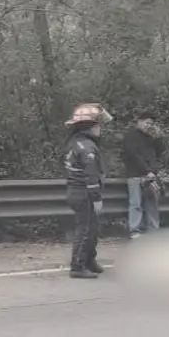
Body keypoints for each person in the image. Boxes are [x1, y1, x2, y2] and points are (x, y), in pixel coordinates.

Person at [63, 102, 112, 279]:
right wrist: (96, 196)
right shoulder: (86, 147)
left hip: (77, 191)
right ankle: (77, 266)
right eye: (98, 124)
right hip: (84, 193)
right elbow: (91, 174)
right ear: (90, 126)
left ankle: (89, 260)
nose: (100, 128)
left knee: (93, 229)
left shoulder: (75, 142)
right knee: (85, 230)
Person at [122, 116, 164, 238]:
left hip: (151, 175)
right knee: (136, 203)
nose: (149, 126)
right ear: (139, 122)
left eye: (151, 123)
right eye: (146, 123)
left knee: (152, 203)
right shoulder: (130, 137)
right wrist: (147, 171)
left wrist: (159, 137)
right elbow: (133, 156)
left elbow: (159, 153)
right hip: (135, 174)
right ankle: (135, 229)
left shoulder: (151, 137)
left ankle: (153, 229)